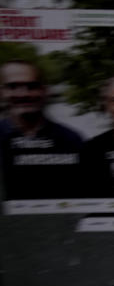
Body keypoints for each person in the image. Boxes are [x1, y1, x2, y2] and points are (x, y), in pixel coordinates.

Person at [0, 60, 83, 200]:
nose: (23, 94)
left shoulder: (72, 140)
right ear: (2, 92)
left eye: (32, 86)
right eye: (13, 86)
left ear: (45, 91)